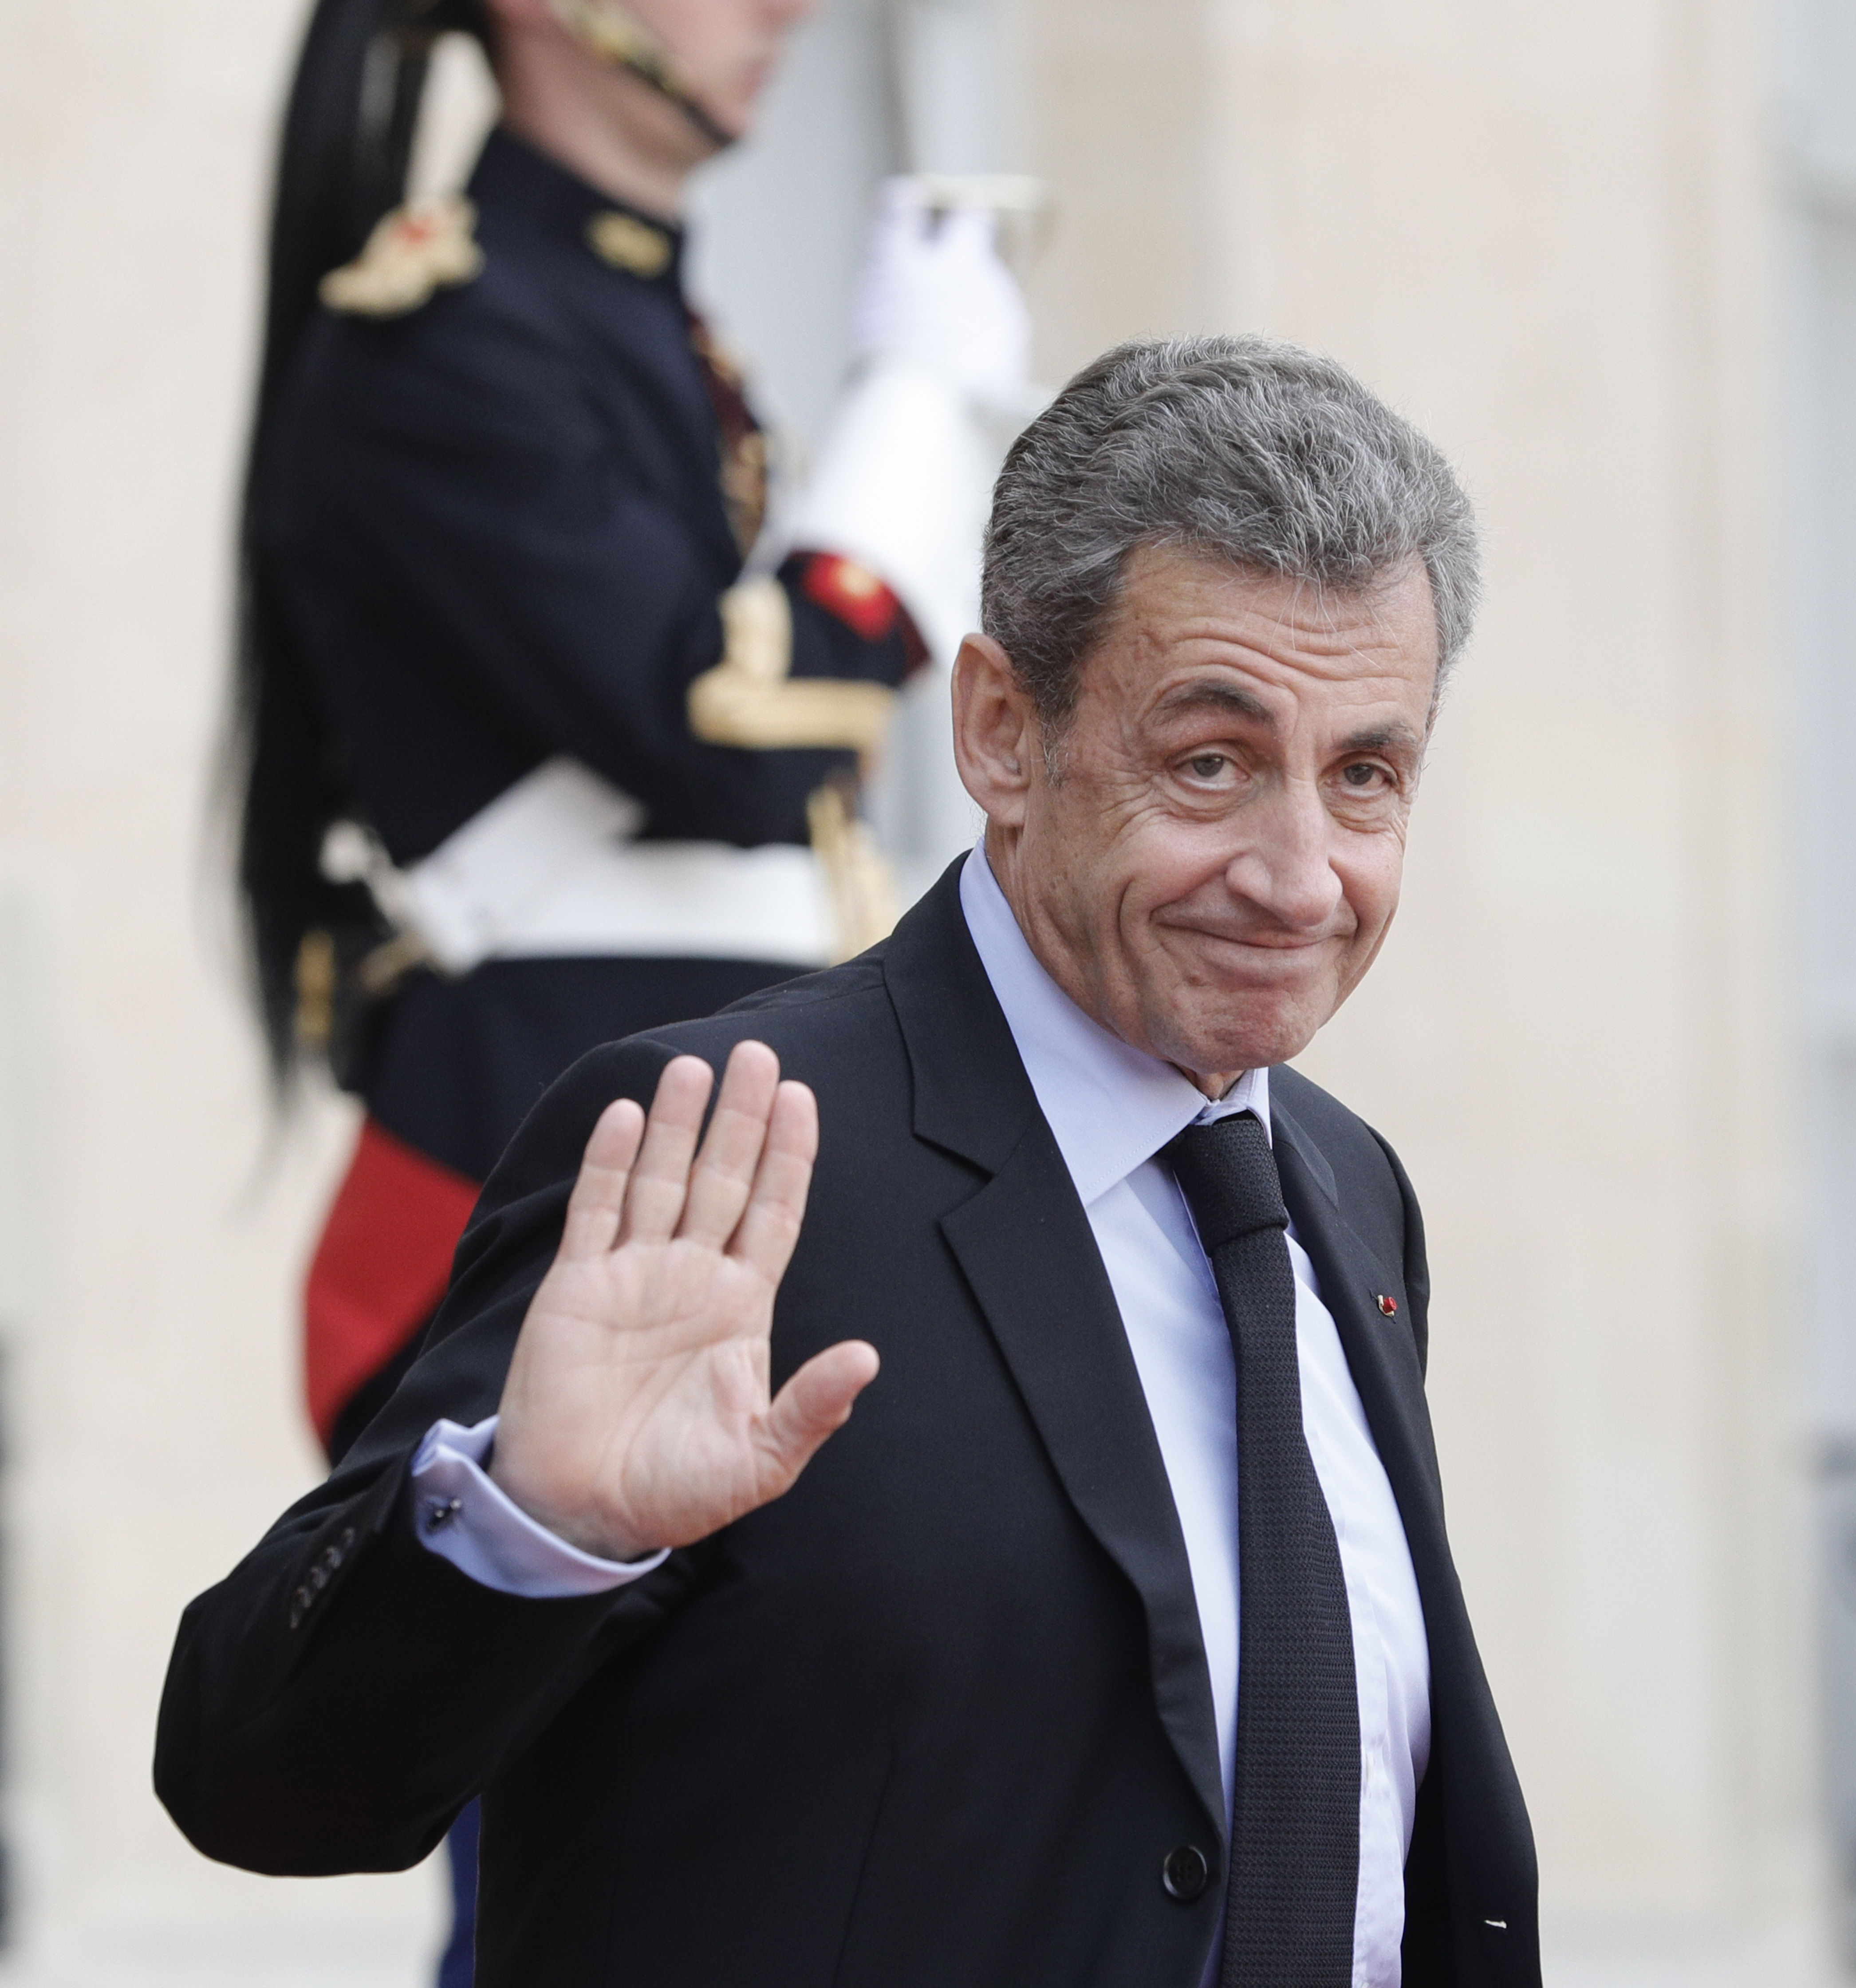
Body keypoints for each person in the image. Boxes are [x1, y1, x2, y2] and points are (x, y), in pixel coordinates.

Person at [160, 335, 1542, 1987]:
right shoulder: (722, 1142)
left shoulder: (1344, 1186)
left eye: (1367, 777)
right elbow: (263, 1775)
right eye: (1211, 761)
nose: (1301, 879)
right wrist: (536, 1528)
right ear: (999, 732)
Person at [238, 0, 1025, 1475]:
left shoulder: (624, 318)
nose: (786, 11)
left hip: (701, 1130)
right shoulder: (446, 345)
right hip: (554, 1174)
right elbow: (723, 733)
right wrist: (918, 410)